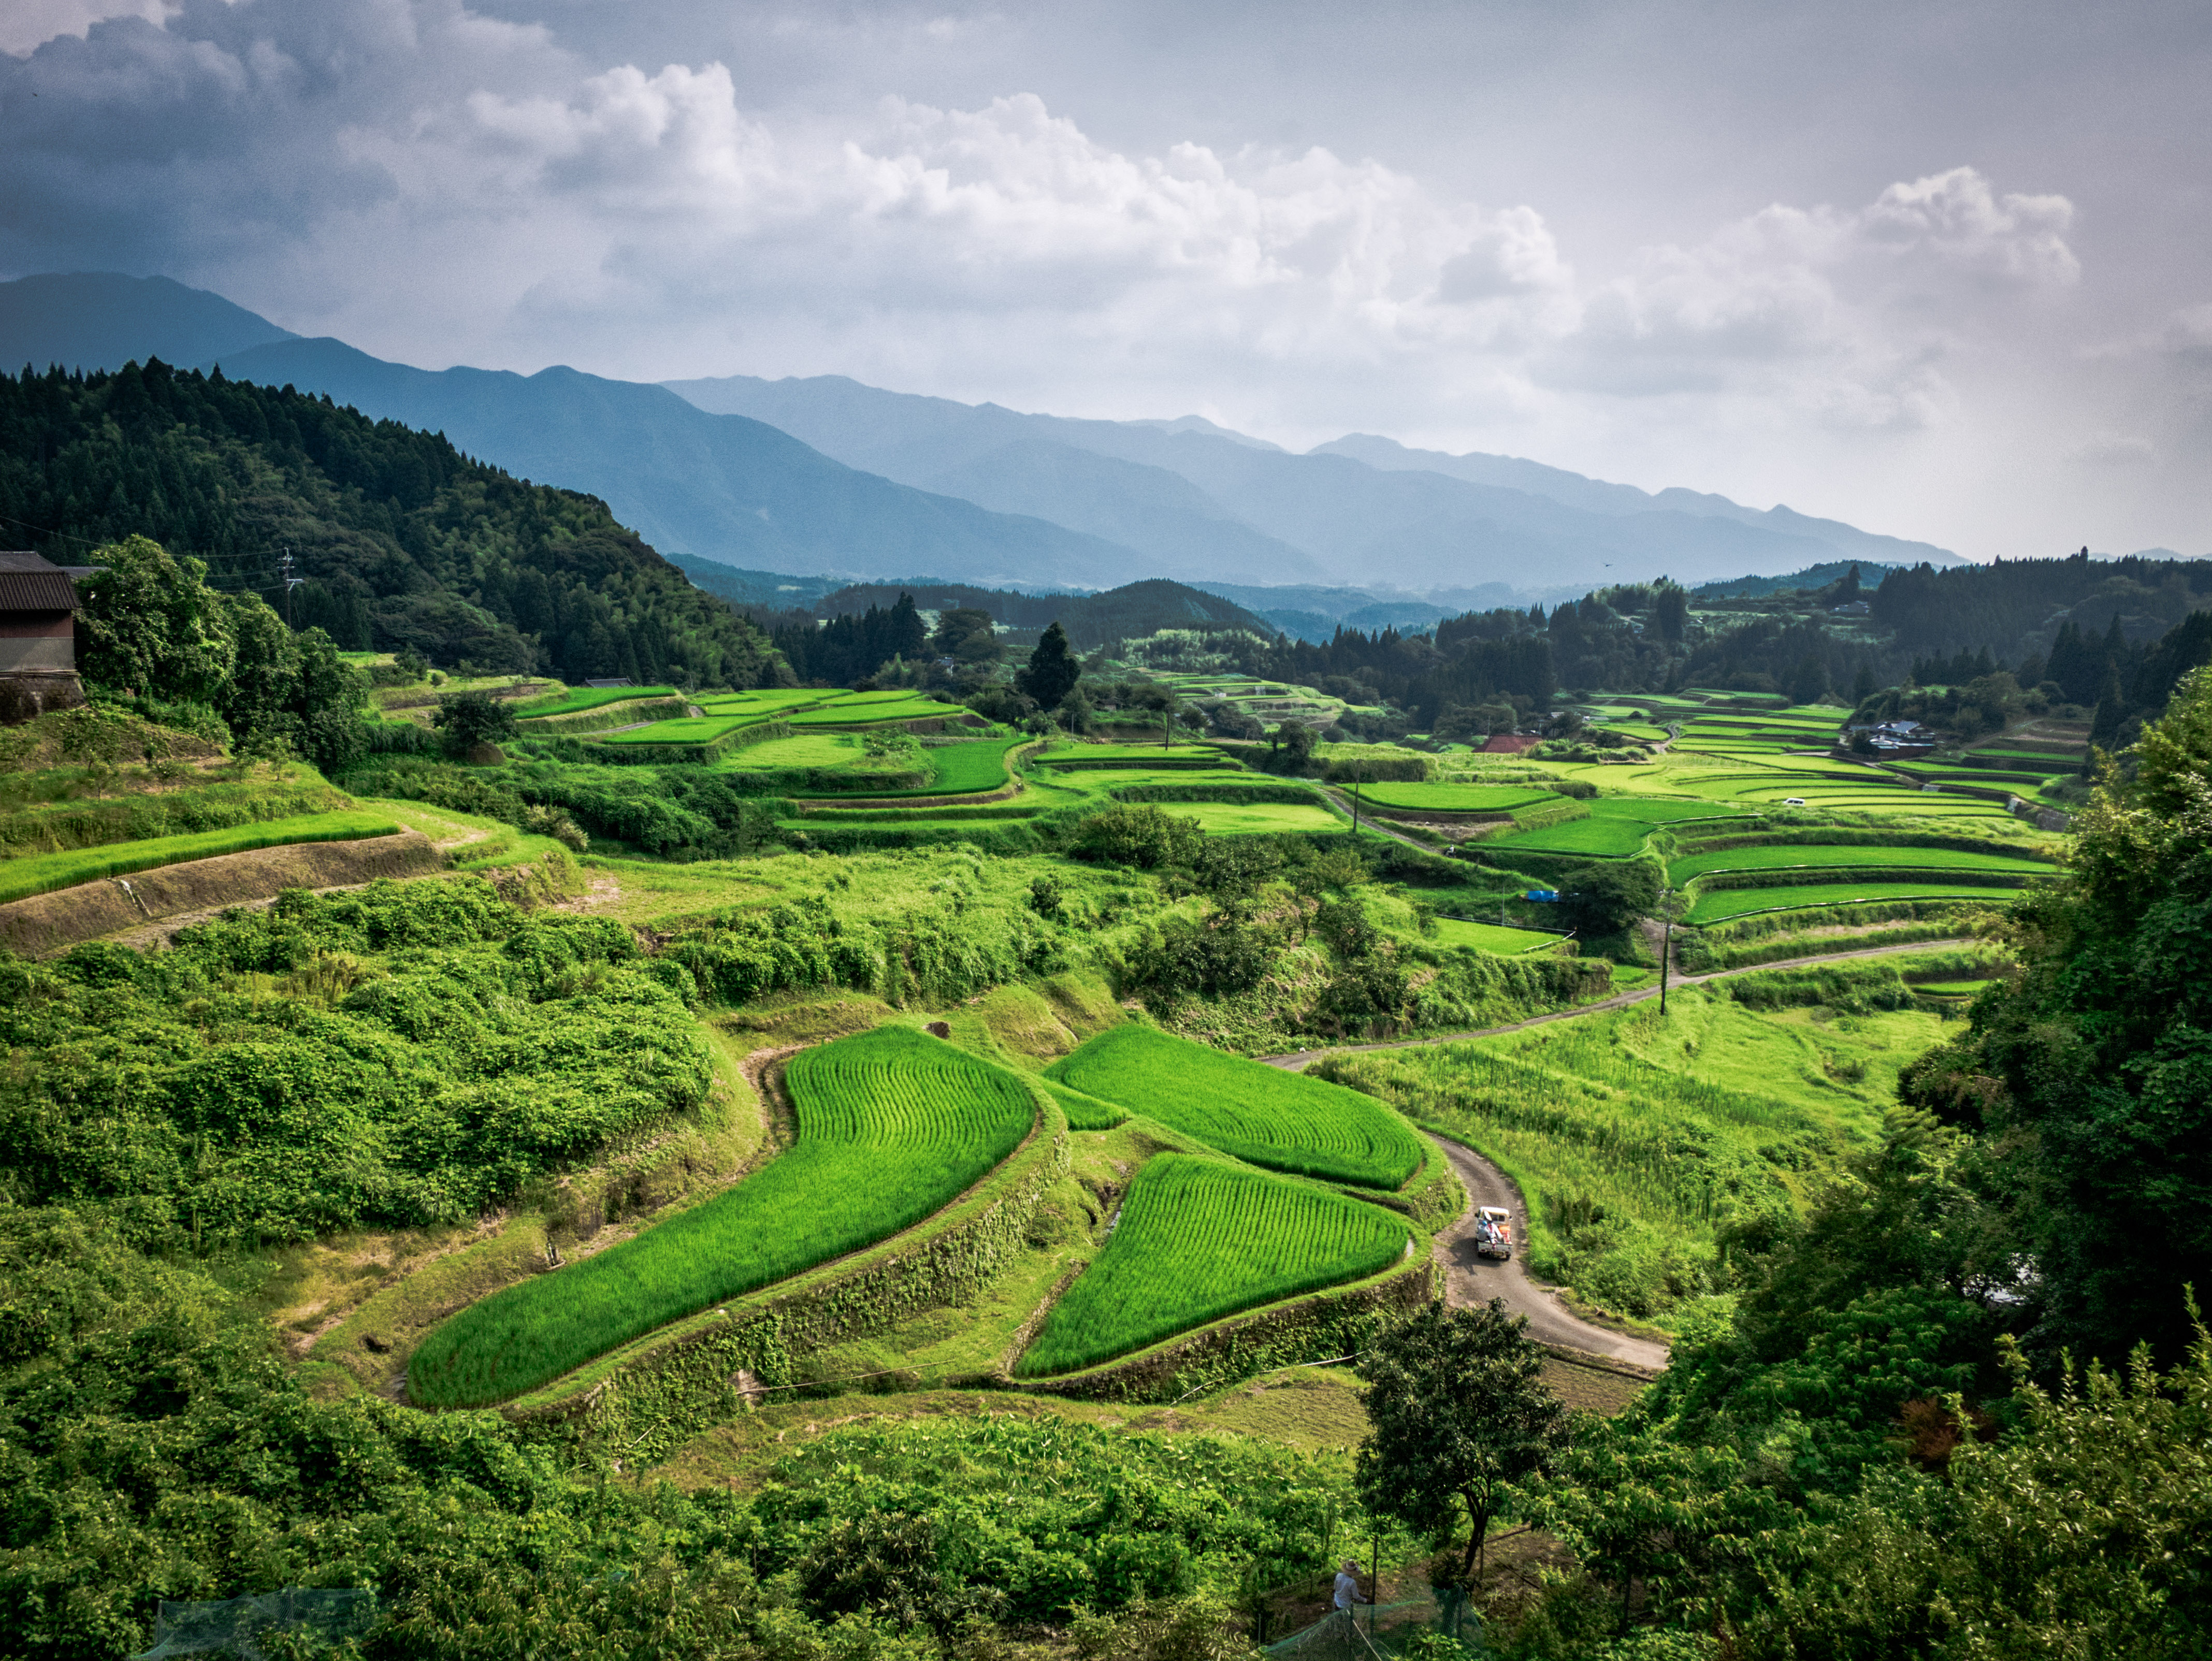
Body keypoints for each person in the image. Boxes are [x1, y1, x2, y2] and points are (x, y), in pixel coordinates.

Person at [1334, 1558, 1369, 1623]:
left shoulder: (1339, 1575)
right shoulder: (1352, 1582)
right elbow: (1356, 1596)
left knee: (1338, 1621)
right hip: (1345, 1606)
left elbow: (1335, 1588)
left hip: (1336, 1601)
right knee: (1347, 1622)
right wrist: (1365, 1600)